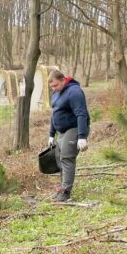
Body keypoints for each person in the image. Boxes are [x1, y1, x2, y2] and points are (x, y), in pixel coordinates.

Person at [47, 70, 90, 202]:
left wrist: (82, 136)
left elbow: (81, 114)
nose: (54, 89)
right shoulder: (56, 93)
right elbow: (55, 114)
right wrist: (51, 134)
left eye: (56, 85)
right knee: (59, 159)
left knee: (66, 157)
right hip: (62, 131)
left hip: (74, 128)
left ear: (64, 80)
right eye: (52, 87)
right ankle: (62, 188)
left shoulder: (74, 92)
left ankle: (66, 191)